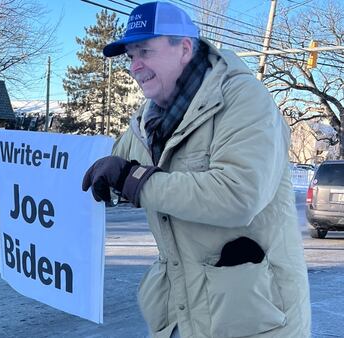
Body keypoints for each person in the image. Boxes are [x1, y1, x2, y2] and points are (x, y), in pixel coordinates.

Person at [81, 2, 311, 337]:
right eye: (130, 55)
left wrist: (133, 180)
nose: (135, 66)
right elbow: (110, 170)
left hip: (254, 320)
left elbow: (239, 194)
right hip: (182, 312)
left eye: (145, 50)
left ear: (184, 48)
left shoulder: (243, 99)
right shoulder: (148, 122)